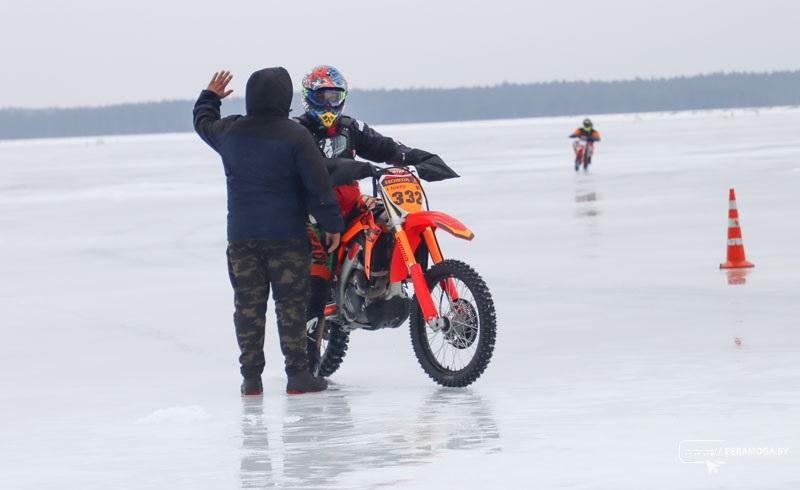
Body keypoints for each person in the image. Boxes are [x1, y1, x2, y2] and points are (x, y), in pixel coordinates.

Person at [193, 68, 344, 395]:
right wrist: (331, 224)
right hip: (287, 238)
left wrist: (210, 97)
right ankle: (298, 376)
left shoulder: (231, 132)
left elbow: (203, 123)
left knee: (248, 307)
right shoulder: (295, 135)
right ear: (284, 98)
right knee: (290, 306)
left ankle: (251, 379)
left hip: (242, 239)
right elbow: (317, 185)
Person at [294, 65, 457, 330]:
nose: (328, 103)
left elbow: (386, 148)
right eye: (322, 96)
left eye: (334, 97)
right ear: (308, 96)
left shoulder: (350, 127)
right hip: (314, 208)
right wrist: (361, 168)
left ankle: (396, 278)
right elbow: (315, 167)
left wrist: (419, 159)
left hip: (350, 203)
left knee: (394, 218)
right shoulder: (298, 131)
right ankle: (312, 322)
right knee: (318, 267)